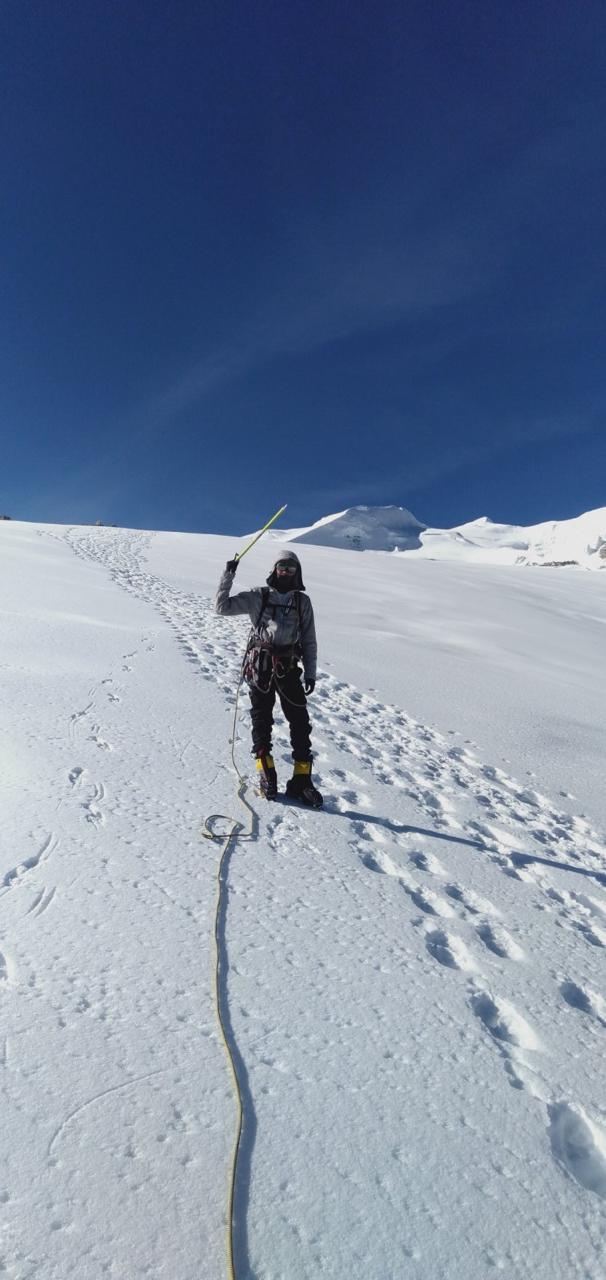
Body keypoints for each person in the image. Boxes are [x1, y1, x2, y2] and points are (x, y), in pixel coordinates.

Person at [216, 550, 323, 806]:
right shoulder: (258, 595)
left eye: (291, 567)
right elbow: (222, 608)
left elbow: (309, 639)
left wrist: (310, 672)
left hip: (289, 667)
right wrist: (228, 575)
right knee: (262, 720)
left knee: (300, 722)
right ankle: (267, 773)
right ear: (274, 568)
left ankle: (301, 780)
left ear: (297, 571)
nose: (286, 571)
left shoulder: (302, 601)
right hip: (261, 667)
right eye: (282, 566)